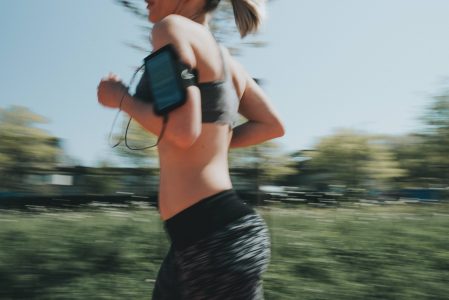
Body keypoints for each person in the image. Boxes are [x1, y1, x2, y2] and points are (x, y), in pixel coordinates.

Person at [97, 0, 284, 298]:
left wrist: (121, 99)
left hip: (212, 242)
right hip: (206, 238)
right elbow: (271, 125)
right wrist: (214, 142)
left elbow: (182, 130)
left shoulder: (169, 29)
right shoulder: (227, 61)